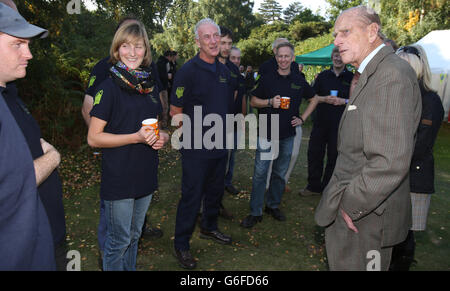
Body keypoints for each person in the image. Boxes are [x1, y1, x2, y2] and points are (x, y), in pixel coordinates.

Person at [314, 6, 422, 271]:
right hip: (363, 213)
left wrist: (351, 205)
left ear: (373, 31)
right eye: (335, 34)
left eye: (345, 32)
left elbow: (389, 160)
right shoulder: (373, 72)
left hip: (366, 217)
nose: (337, 41)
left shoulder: (390, 75)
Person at [87, 20, 169, 271]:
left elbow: (156, 125)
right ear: (116, 49)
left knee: (134, 237)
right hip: (120, 176)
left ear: (146, 51)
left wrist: (162, 136)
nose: (132, 53)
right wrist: (135, 137)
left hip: (145, 173)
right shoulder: (108, 87)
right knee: (118, 241)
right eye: (126, 46)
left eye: (139, 46)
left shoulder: (149, 87)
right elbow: (93, 138)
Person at [170, 18, 234, 269]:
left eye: (216, 35)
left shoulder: (225, 72)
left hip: (220, 145)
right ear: (197, 41)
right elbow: (175, 111)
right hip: (196, 148)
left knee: (215, 191)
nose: (213, 40)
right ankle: (182, 245)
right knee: (191, 196)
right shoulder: (187, 71)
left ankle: (209, 227)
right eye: (206, 37)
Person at [0, 2, 56, 270]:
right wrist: (52, 158)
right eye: (18, 44)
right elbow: (12, 185)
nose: (29, 54)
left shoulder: (8, 96)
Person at [240, 42, 319, 228]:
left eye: (287, 56)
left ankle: (273, 205)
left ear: (293, 58)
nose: (283, 59)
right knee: (260, 174)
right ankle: (255, 211)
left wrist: (303, 118)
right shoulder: (267, 78)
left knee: (280, 173)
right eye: (280, 56)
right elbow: (253, 100)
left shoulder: (299, 80)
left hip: (288, 134)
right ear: (276, 57)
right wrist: (269, 102)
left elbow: (314, 98)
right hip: (267, 131)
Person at [389, 44, 444, 271]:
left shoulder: (430, 101)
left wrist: (391, 161)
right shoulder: (395, 95)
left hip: (413, 176)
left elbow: (421, 144)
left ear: (419, 69)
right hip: (391, 172)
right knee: (389, 229)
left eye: (406, 66)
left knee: (405, 233)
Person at [300, 47, 353, 197]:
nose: (338, 59)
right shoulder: (322, 76)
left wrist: (343, 101)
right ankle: (313, 186)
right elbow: (312, 96)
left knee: (334, 155)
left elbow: (357, 101)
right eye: (335, 56)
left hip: (340, 124)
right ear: (332, 57)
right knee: (314, 153)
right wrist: (324, 99)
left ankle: (328, 187)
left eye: (341, 56)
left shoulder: (351, 78)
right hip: (320, 122)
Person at [218, 27, 241, 199]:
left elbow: (235, 97)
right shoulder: (209, 66)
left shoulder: (233, 70)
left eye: (229, 43)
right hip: (207, 127)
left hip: (229, 125)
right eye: (222, 43)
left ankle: (217, 204)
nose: (226, 47)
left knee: (225, 164)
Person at [156, 50, 172, 128]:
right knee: (165, 106)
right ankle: (163, 124)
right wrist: (167, 78)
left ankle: (160, 124)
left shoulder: (158, 62)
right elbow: (163, 75)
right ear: (168, 56)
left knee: (161, 106)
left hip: (158, 87)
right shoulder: (165, 63)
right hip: (162, 87)